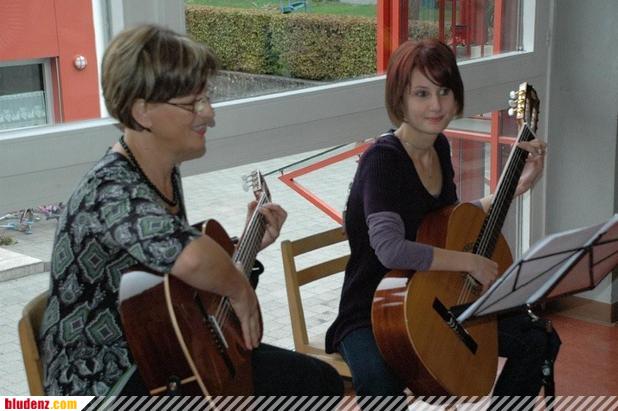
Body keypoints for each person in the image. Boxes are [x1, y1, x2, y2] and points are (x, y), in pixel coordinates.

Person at [38, 24, 343, 397]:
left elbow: (172, 287)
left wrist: (247, 247)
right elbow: (194, 260)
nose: (209, 113)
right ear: (143, 112)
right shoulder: (109, 191)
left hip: (163, 355)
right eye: (193, 103)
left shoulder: (162, 172)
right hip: (101, 386)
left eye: (206, 98)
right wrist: (240, 290)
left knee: (319, 382)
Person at [325, 39, 560, 404]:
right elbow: (390, 249)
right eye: (422, 93)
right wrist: (469, 262)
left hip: (436, 296)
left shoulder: (438, 146)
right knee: (381, 384)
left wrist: (515, 186)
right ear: (400, 98)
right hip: (374, 311)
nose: (436, 105)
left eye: (444, 91)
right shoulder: (383, 161)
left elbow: (447, 224)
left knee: (537, 337)